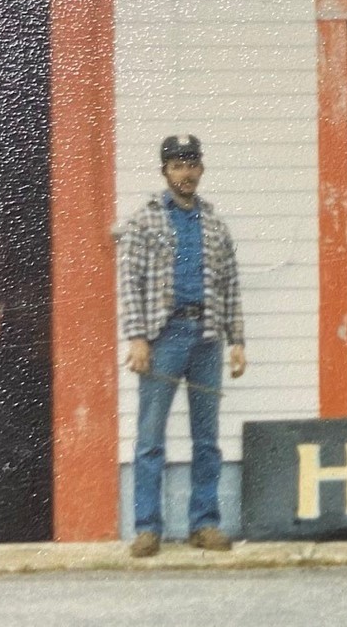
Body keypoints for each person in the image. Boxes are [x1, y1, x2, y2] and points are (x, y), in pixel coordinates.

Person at [117, 135, 247, 556]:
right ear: (165, 171)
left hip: (207, 338)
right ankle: (147, 528)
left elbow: (230, 287)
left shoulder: (214, 225)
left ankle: (204, 524)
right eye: (177, 165)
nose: (185, 173)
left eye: (191, 165)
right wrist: (137, 338)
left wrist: (237, 342)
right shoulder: (145, 221)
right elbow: (129, 284)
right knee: (150, 437)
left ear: (201, 170)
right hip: (163, 338)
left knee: (206, 437)